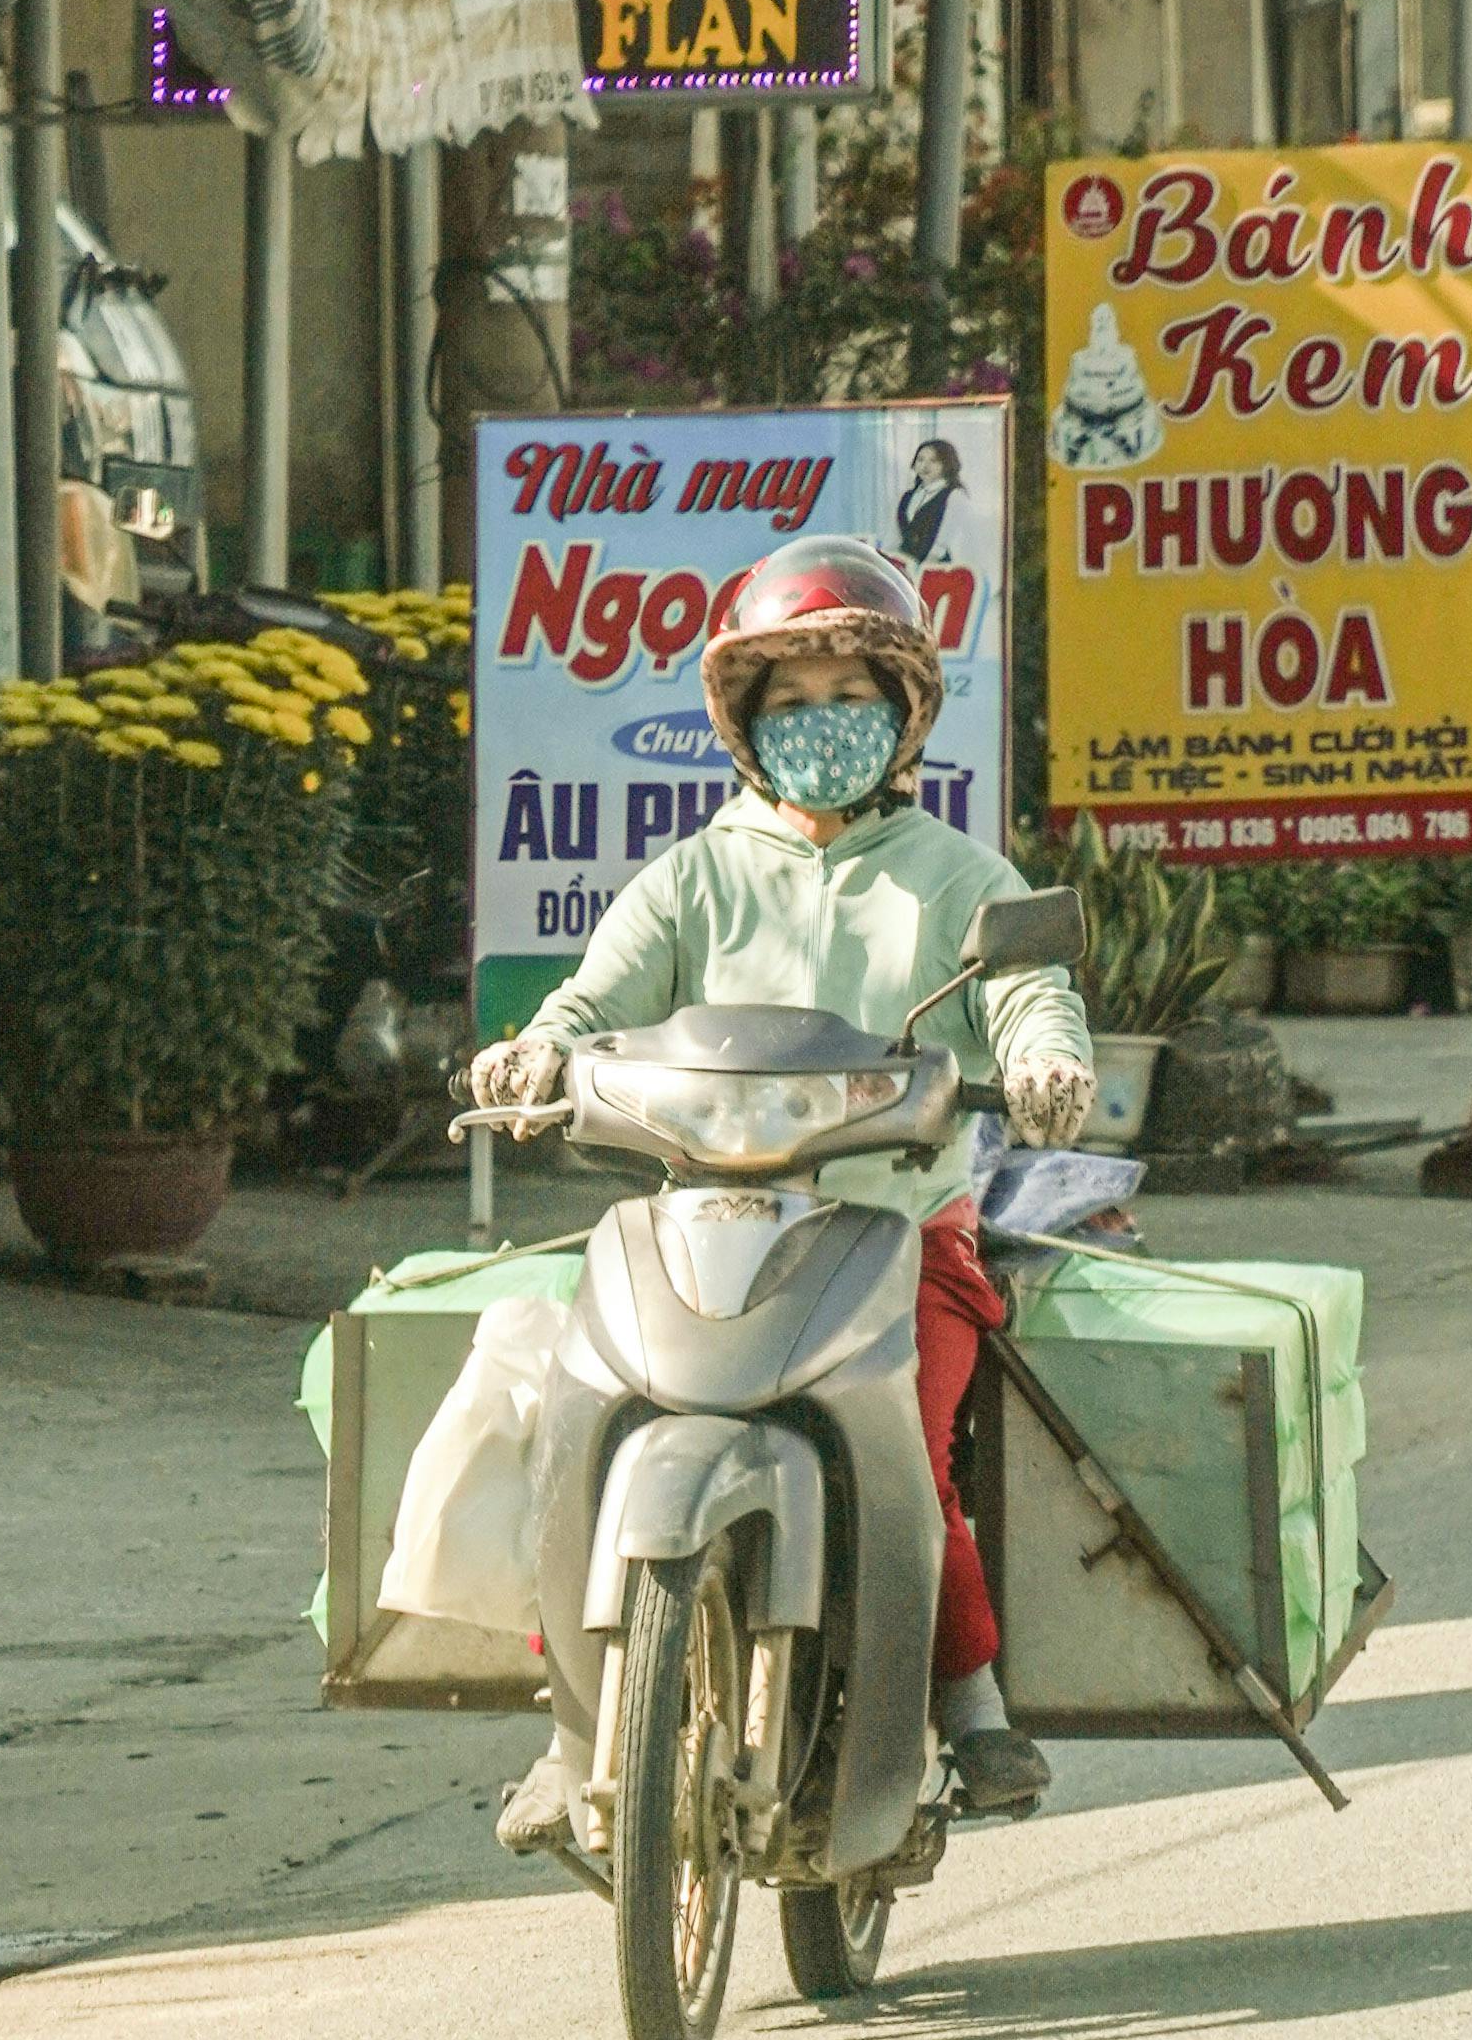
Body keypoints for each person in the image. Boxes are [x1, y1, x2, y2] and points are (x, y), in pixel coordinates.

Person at [467, 530, 1095, 1837]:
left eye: (848, 696)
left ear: (902, 709)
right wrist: (534, 1054)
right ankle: (572, 1721)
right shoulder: (690, 874)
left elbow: (1027, 987)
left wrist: (1042, 1060)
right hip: (705, 1222)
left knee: (911, 1454)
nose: (822, 724)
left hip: (896, 1224)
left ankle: (968, 1700)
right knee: (580, 1416)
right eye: (790, 701)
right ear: (745, 722)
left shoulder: (955, 875)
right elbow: (591, 1000)